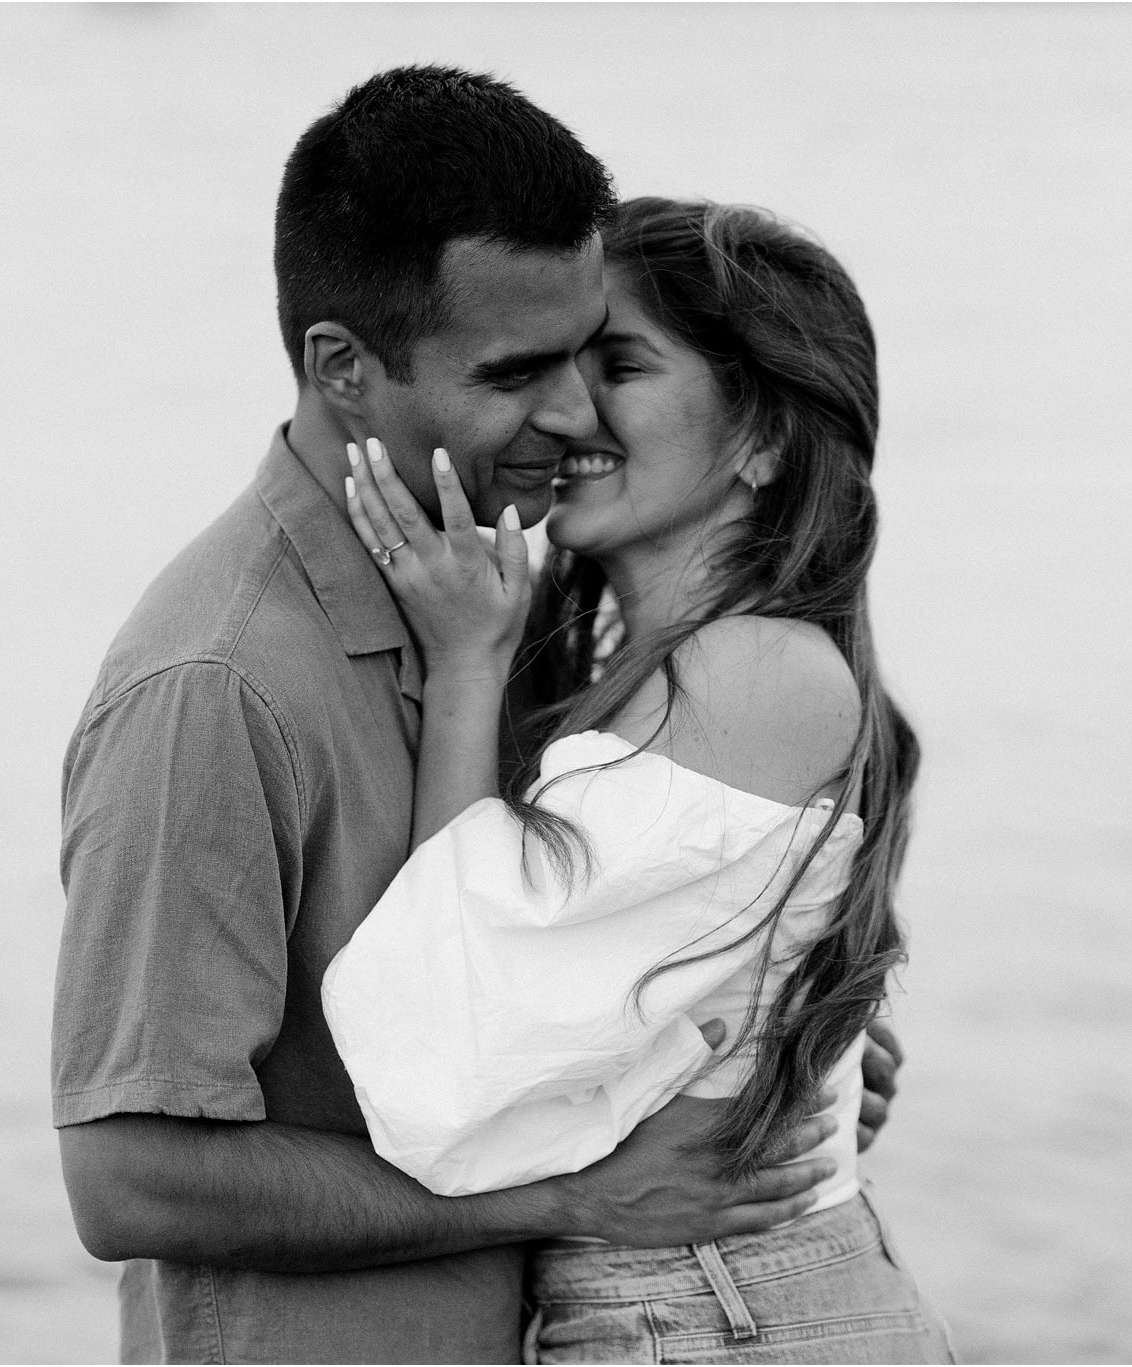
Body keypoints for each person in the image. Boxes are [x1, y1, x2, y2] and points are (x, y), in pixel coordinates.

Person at [53, 67, 904, 1364]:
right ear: (343, 366)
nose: (571, 417)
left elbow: (587, 968)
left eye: (593, 357)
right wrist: (572, 1191)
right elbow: (127, 1180)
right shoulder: (215, 686)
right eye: (523, 371)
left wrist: (775, 1054)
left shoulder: (502, 622)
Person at [323, 196, 954, 1362]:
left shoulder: (751, 670)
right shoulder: (650, 674)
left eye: (619, 362)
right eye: (557, 364)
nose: (567, 408)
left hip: (723, 1314)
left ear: (763, 439)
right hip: (700, 1309)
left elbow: (449, 1042)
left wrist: (465, 664)